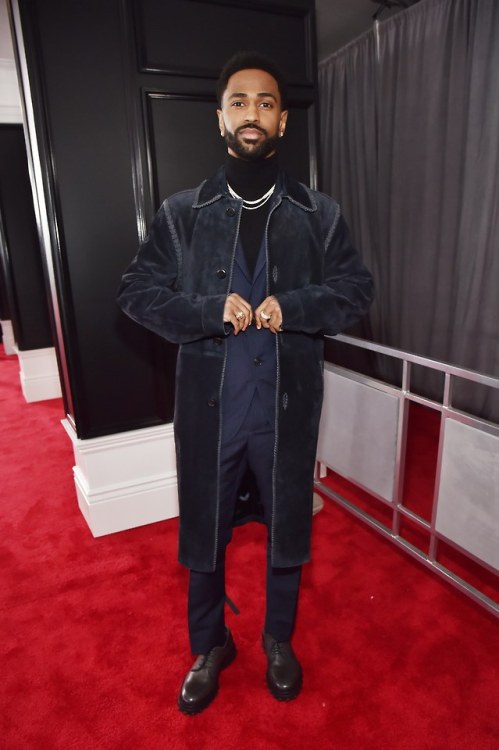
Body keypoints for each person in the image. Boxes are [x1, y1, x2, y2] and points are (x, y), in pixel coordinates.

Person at [117, 51, 374, 715]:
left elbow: (356, 290)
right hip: (212, 410)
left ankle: (277, 639)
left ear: (282, 121)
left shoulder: (318, 213)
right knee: (204, 533)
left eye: (264, 103)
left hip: (285, 407)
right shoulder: (182, 213)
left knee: (287, 527)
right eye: (239, 102)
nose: (251, 113)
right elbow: (135, 292)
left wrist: (299, 304)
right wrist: (205, 312)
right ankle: (210, 645)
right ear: (220, 118)